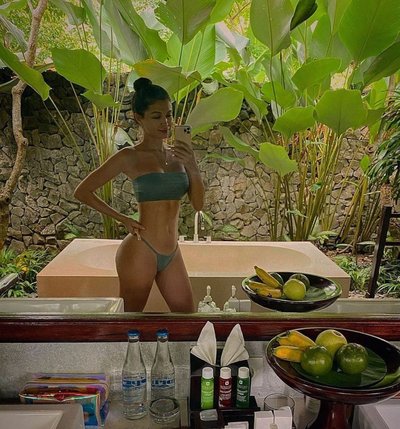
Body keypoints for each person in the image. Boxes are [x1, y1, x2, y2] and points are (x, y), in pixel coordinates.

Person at [74, 77, 204, 312]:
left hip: (172, 251)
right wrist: (122, 219)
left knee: (187, 317)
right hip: (141, 249)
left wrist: (192, 166)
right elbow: (82, 191)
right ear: (139, 118)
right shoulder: (129, 156)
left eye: (169, 115)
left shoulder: (179, 157)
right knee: (130, 320)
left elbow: (198, 205)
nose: (165, 122)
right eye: (156, 116)